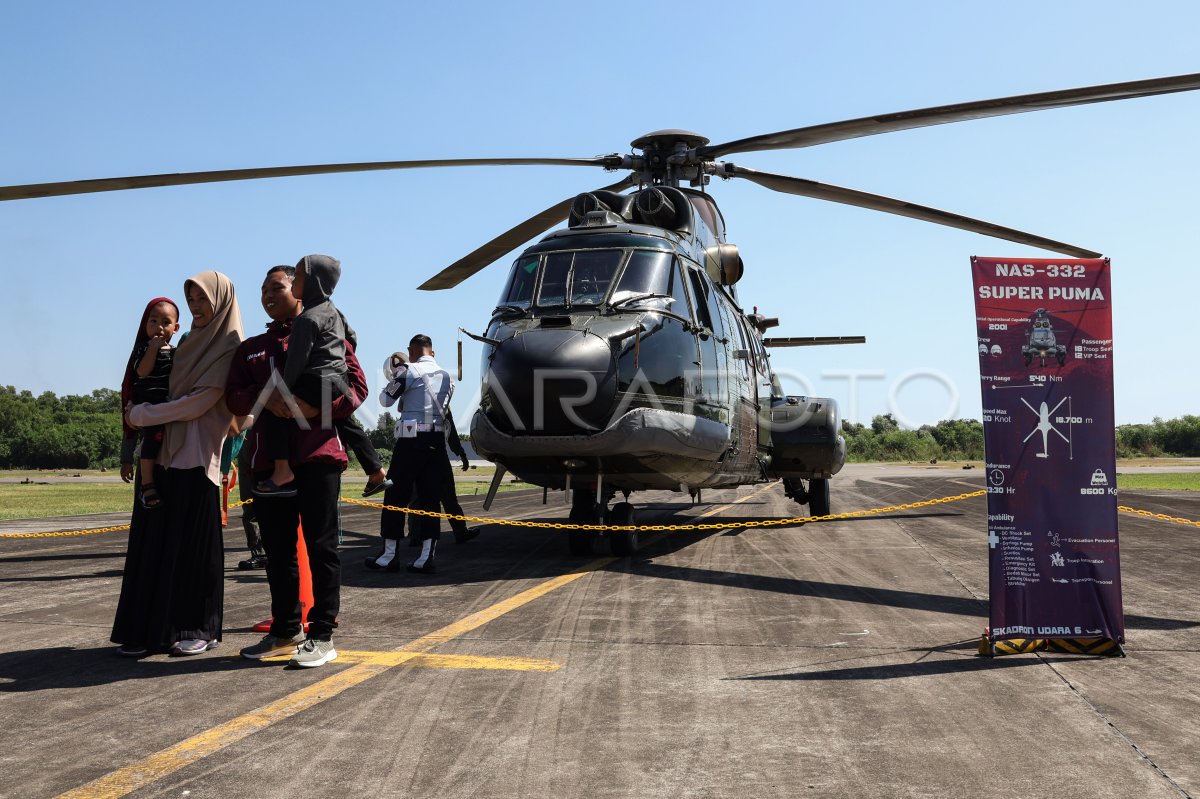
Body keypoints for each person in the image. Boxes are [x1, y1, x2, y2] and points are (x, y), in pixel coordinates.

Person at [226, 264, 368, 668]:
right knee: (278, 551)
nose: (268, 295)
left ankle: (322, 634)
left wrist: (314, 406)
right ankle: (287, 630)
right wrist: (261, 396)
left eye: (277, 287)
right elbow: (232, 396)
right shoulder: (251, 347)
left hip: (318, 456)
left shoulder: (326, 334)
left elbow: (357, 387)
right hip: (267, 462)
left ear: (300, 291)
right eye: (263, 290)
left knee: (322, 547)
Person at [111, 271, 243, 657]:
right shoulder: (185, 344)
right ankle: (154, 628)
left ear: (220, 301)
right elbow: (155, 383)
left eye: (203, 299)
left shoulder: (228, 345)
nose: (197, 307)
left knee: (196, 549)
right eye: (193, 300)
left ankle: (199, 626)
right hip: (166, 454)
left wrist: (141, 416)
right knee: (157, 546)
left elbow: (198, 403)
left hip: (199, 457)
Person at [254, 254, 389, 499]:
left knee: (275, 410)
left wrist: (285, 389)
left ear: (312, 282)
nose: (294, 283)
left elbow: (297, 360)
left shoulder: (306, 319)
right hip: (337, 380)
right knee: (347, 422)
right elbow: (351, 336)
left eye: (298, 278)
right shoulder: (333, 311)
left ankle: (281, 471)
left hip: (316, 378)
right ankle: (376, 470)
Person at [368, 334, 453, 574]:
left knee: (395, 496)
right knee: (430, 499)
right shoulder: (448, 377)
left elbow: (385, 400)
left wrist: (396, 378)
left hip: (411, 440)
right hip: (436, 441)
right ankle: (426, 557)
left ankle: (389, 555)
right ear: (432, 351)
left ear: (411, 350)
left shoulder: (408, 369)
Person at [119, 297, 181, 509]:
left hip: (168, 408)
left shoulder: (176, 353)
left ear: (176, 327)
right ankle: (147, 483)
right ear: (145, 324)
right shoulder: (142, 349)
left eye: (165, 322)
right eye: (153, 321)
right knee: (152, 441)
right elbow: (142, 371)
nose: (159, 327)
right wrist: (153, 348)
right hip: (148, 408)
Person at [235, 419, 267, 570]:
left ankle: (278, 552)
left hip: (268, 437)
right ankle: (259, 554)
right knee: (249, 503)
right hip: (245, 437)